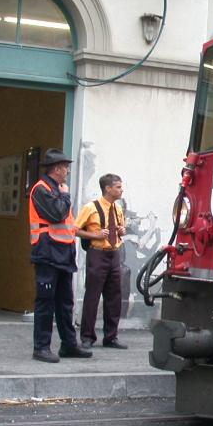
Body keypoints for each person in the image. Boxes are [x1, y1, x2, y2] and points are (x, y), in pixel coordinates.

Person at [29, 148, 92, 363]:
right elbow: (56, 214)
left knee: (65, 302)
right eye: (65, 167)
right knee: (45, 301)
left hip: (63, 252)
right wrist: (65, 195)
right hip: (47, 251)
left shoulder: (56, 187)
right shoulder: (41, 189)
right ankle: (41, 347)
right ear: (56, 168)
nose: (67, 171)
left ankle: (69, 344)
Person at [75, 173, 128, 349]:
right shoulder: (91, 207)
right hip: (97, 254)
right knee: (92, 296)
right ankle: (87, 337)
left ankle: (111, 337)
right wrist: (94, 235)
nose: (121, 190)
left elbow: (122, 229)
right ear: (108, 188)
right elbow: (75, 230)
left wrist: (121, 231)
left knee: (114, 297)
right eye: (118, 187)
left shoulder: (117, 208)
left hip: (114, 253)